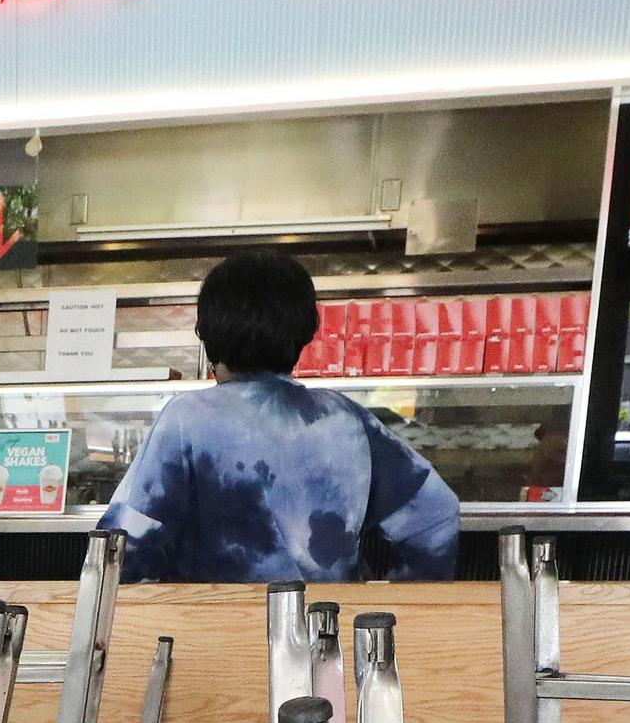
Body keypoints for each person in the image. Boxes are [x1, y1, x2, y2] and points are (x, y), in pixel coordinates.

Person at [100, 250, 461, 583]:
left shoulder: (186, 420)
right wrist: (399, 610)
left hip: (208, 640)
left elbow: (122, 546)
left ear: (208, 334)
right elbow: (434, 514)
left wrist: (151, 618)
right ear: (303, 333)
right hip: (325, 639)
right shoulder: (346, 419)